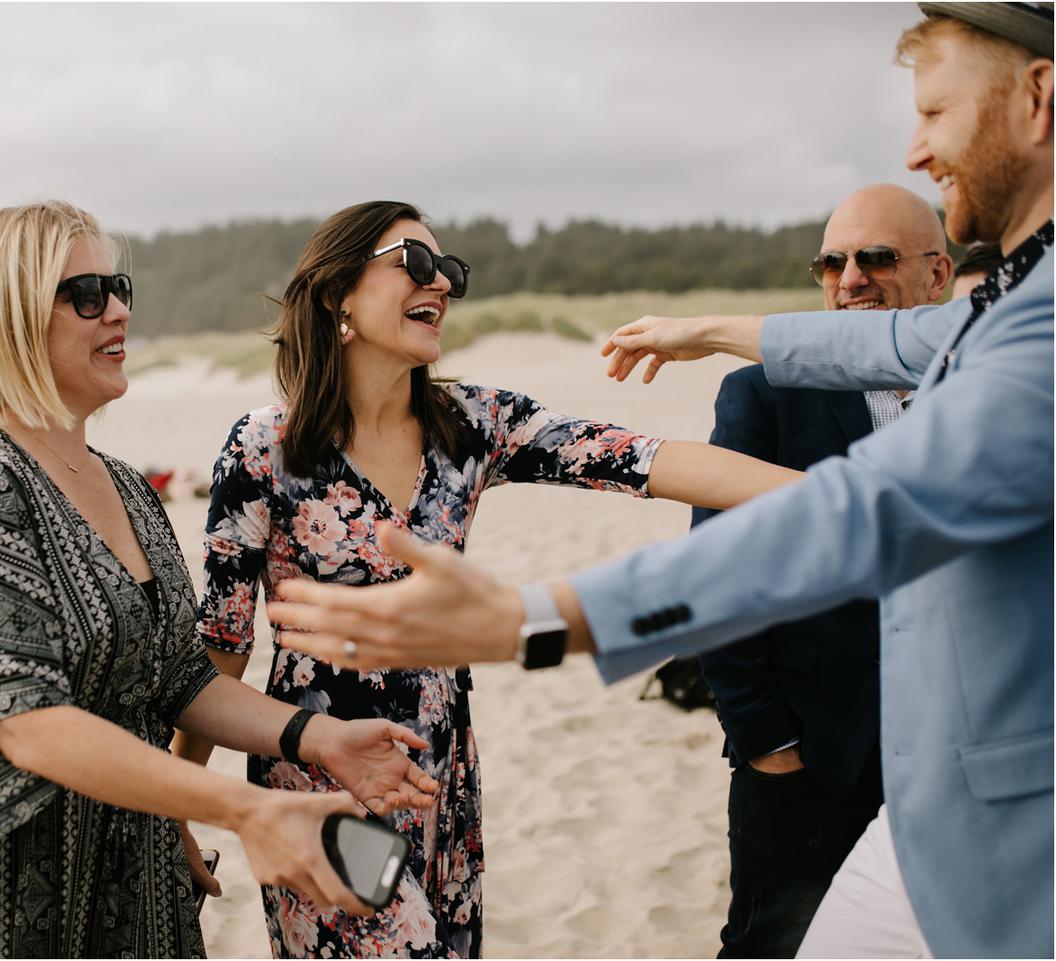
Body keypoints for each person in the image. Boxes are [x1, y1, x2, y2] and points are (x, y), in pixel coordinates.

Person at [265, 3, 1053, 957]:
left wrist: (535, 620)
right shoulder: (1010, 297)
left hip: (992, 800)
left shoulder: (1039, 326)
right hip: (326, 779)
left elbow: (867, 505)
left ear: (1038, 99)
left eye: (934, 112)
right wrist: (710, 330)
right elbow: (887, 339)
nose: (916, 147)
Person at [0, 201, 442, 958]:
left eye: (121, 289)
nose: (117, 312)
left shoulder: (127, 488)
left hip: (133, 905)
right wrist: (244, 809)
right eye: (85, 295)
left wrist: (318, 736)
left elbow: (183, 679)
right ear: (10, 315)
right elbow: (27, 720)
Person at [172, 200, 802, 958]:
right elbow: (222, 645)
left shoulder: (472, 425)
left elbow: (643, 459)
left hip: (443, 770)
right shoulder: (265, 446)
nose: (440, 281)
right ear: (338, 291)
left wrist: (842, 494)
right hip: (321, 775)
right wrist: (182, 798)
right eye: (414, 261)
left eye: (450, 270)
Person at [695, 183, 951, 958]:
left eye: (876, 257)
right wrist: (769, 738)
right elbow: (717, 573)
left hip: (955, 759)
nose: (850, 280)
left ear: (938, 275)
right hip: (812, 755)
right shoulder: (762, 394)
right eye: (831, 263)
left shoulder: (990, 389)